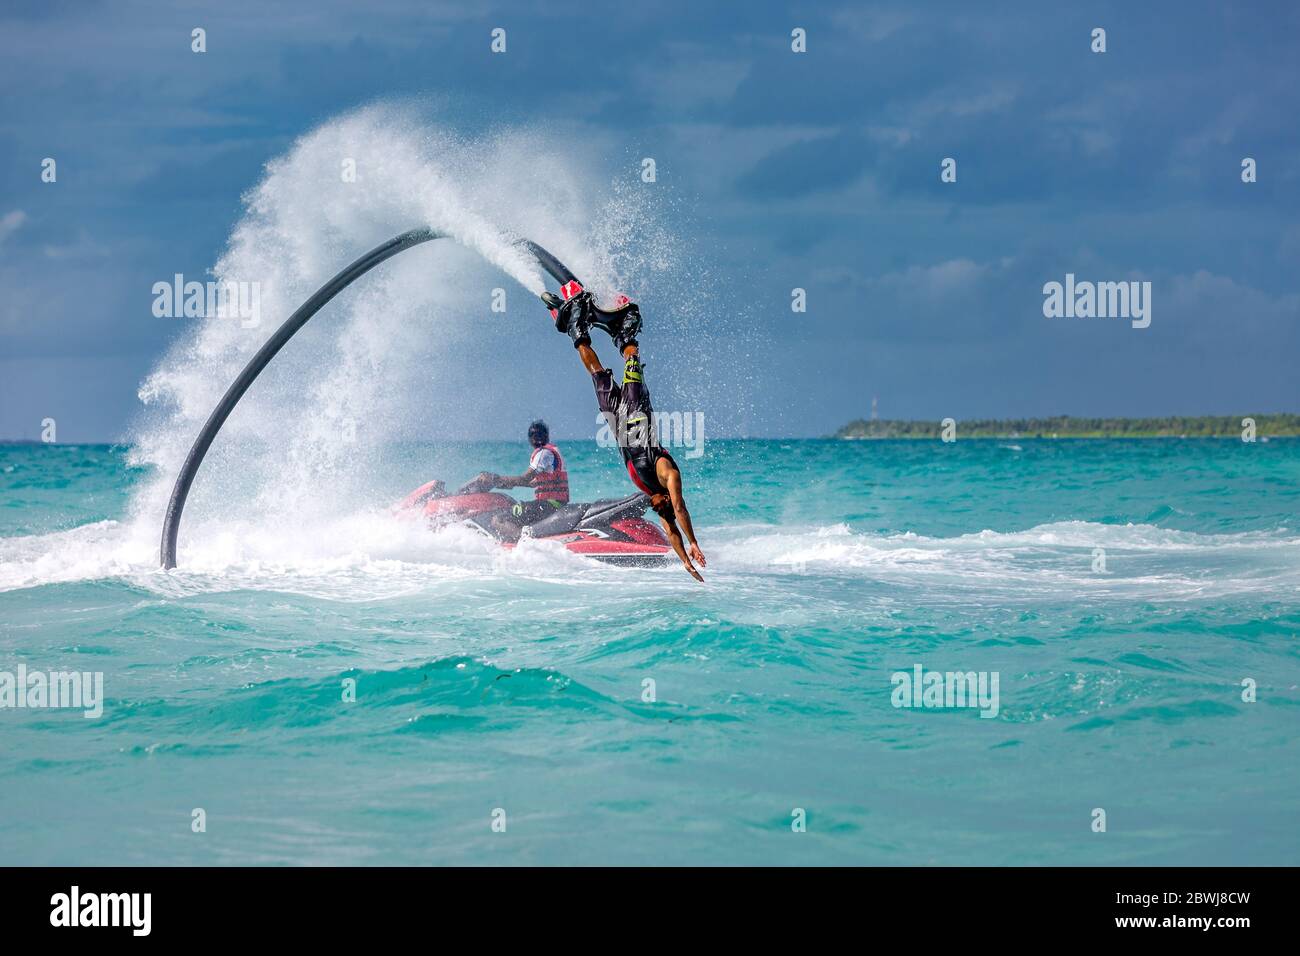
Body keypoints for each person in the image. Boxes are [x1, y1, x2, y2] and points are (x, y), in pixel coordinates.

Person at [546, 284, 707, 581]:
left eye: (657, 510)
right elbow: (680, 510)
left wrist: (685, 561)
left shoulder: (654, 497)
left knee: (596, 373)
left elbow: (672, 529)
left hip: (616, 423)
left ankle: (575, 327)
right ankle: (625, 332)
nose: (653, 507)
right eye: (661, 508)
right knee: (631, 361)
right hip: (637, 410)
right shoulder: (666, 473)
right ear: (668, 500)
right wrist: (694, 543)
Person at [471, 420, 569, 542]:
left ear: (546, 436)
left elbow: (524, 478)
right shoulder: (551, 451)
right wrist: (499, 483)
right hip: (554, 504)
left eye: (539, 435)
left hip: (549, 504)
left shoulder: (544, 453)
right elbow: (531, 483)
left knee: (499, 519)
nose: (536, 438)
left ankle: (523, 545)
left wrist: (494, 478)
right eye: (534, 435)